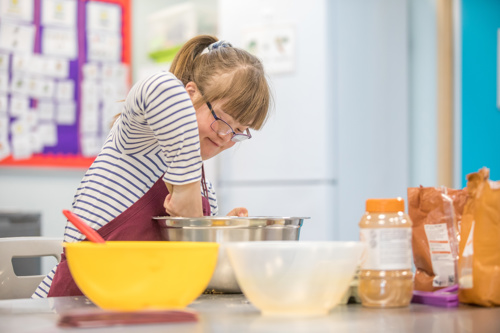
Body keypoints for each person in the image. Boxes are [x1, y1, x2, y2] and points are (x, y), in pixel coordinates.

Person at [32, 35, 272, 298]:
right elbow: (161, 87)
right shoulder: (138, 139)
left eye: (238, 131)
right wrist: (185, 191)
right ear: (189, 94)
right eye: (222, 120)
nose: (225, 137)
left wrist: (217, 231)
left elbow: (190, 273)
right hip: (75, 305)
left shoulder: (207, 192)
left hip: (144, 311)